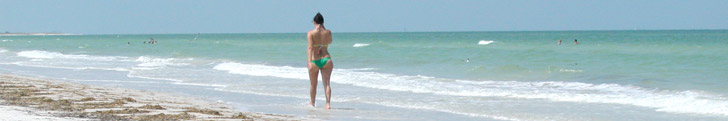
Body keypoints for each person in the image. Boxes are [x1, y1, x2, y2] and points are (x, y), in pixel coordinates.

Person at [307, 12, 333, 109]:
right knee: (327, 84)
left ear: (314, 22)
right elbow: (330, 41)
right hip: (326, 59)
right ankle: (328, 103)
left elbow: (310, 48)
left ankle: (312, 102)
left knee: (313, 84)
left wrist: (309, 62)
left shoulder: (310, 33)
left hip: (315, 60)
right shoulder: (328, 32)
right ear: (323, 22)